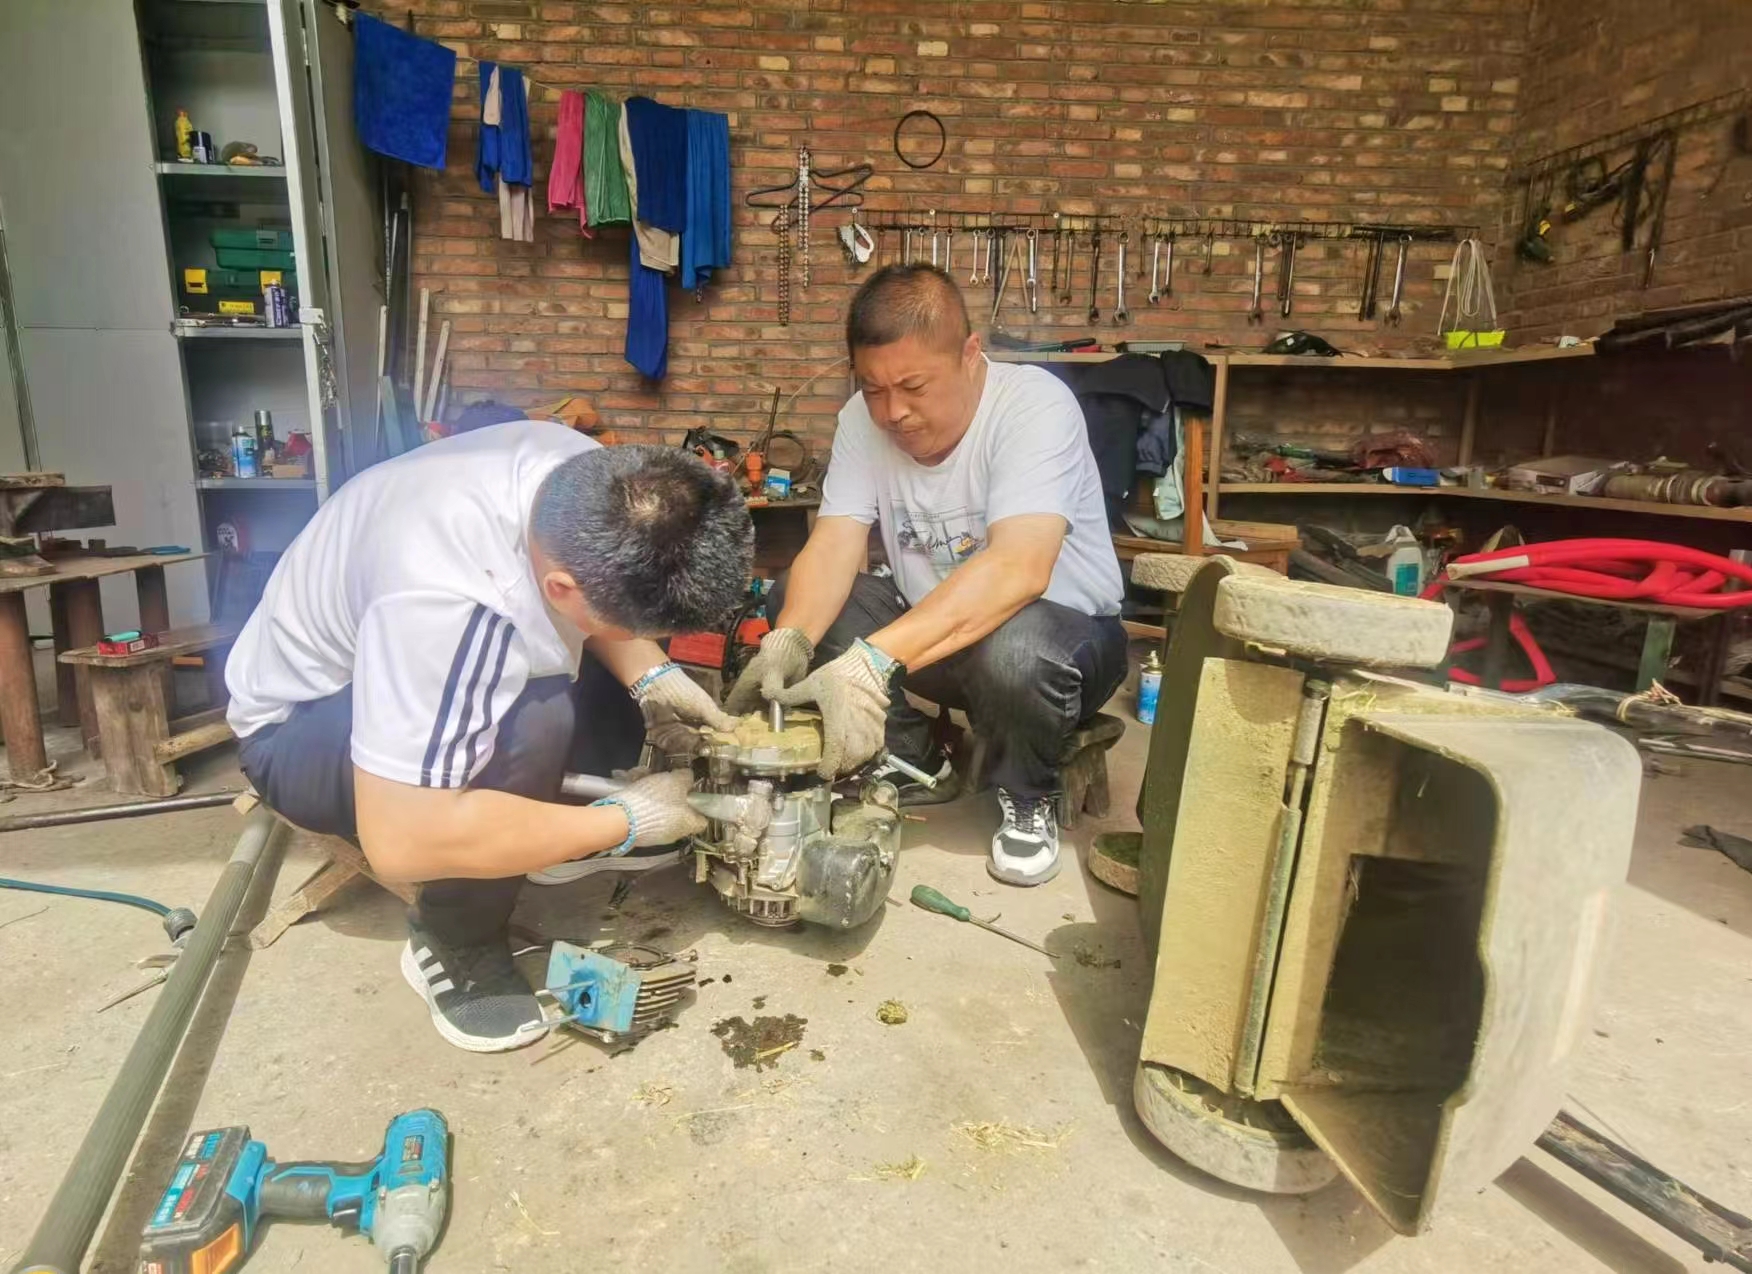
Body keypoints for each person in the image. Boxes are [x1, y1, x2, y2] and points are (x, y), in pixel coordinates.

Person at [226, 421, 753, 1052]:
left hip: (389, 665)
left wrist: (654, 677)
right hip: (298, 734)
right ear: (561, 587)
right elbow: (402, 840)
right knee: (535, 717)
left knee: (601, 689)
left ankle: (537, 831)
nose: (643, 643)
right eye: (640, 632)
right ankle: (457, 940)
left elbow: (596, 602)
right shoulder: (448, 607)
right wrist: (628, 820)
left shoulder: (589, 477)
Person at [728, 265, 1126, 887]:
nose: (894, 412)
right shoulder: (861, 420)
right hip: (939, 642)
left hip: (1061, 647)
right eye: (874, 389)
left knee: (1017, 648)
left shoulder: (1033, 405)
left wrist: (869, 663)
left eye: (913, 386)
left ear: (970, 354)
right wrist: (789, 642)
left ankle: (1027, 793)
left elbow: (1020, 567)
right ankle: (915, 760)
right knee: (796, 601)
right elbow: (833, 545)